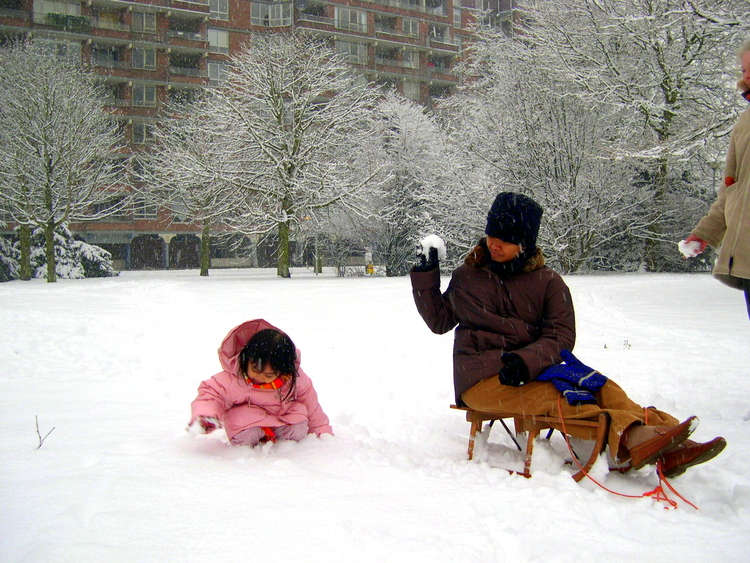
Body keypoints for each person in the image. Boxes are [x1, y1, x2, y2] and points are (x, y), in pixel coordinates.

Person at [411, 192, 725, 477]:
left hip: (532, 370)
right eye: (492, 235)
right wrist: (426, 275)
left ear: (525, 243)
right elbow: (440, 321)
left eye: (505, 239)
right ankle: (634, 439)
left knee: (600, 385)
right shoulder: (469, 277)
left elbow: (560, 338)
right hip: (479, 377)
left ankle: (668, 439)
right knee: (561, 397)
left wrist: (526, 361)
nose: (494, 244)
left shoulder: (547, 282)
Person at [682, 39, 750, 318]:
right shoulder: (744, 123)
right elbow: (731, 189)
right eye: (745, 69)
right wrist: (705, 232)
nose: (747, 75)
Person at [189, 319, 332, 446]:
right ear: (246, 358)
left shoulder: (295, 379)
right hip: (248, 421)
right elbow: (211, 396)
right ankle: (257, 440)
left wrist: (320, 428)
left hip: (282, 416)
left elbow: (311, 405)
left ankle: (278, 440)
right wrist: (206, 415)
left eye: (269, 374)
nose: (260, 377)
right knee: (247, 436)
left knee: (299, 429)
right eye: (255, 369)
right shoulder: (233, 379)